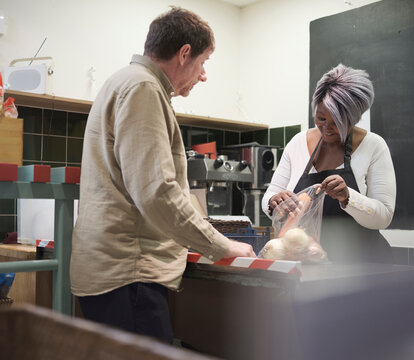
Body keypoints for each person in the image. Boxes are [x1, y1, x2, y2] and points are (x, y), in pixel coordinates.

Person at [70, 7, 255, 344]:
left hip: (113, 274)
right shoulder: (143, 89)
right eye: (203, 61)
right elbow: (156, 192)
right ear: (184, 53)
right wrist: (221, 245)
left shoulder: (122, 81)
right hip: (129, 275)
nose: (203, 75)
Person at [262, 64, 396, 264]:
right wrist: (275, 201)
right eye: (321, 118)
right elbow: (269, 197)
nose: (327, 129)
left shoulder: (374, 146)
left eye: (337, 122)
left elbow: (383, 216)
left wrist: (349, 197)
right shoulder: (298, 143)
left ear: (354, 118)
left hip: (363, 266)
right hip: (308, 262)